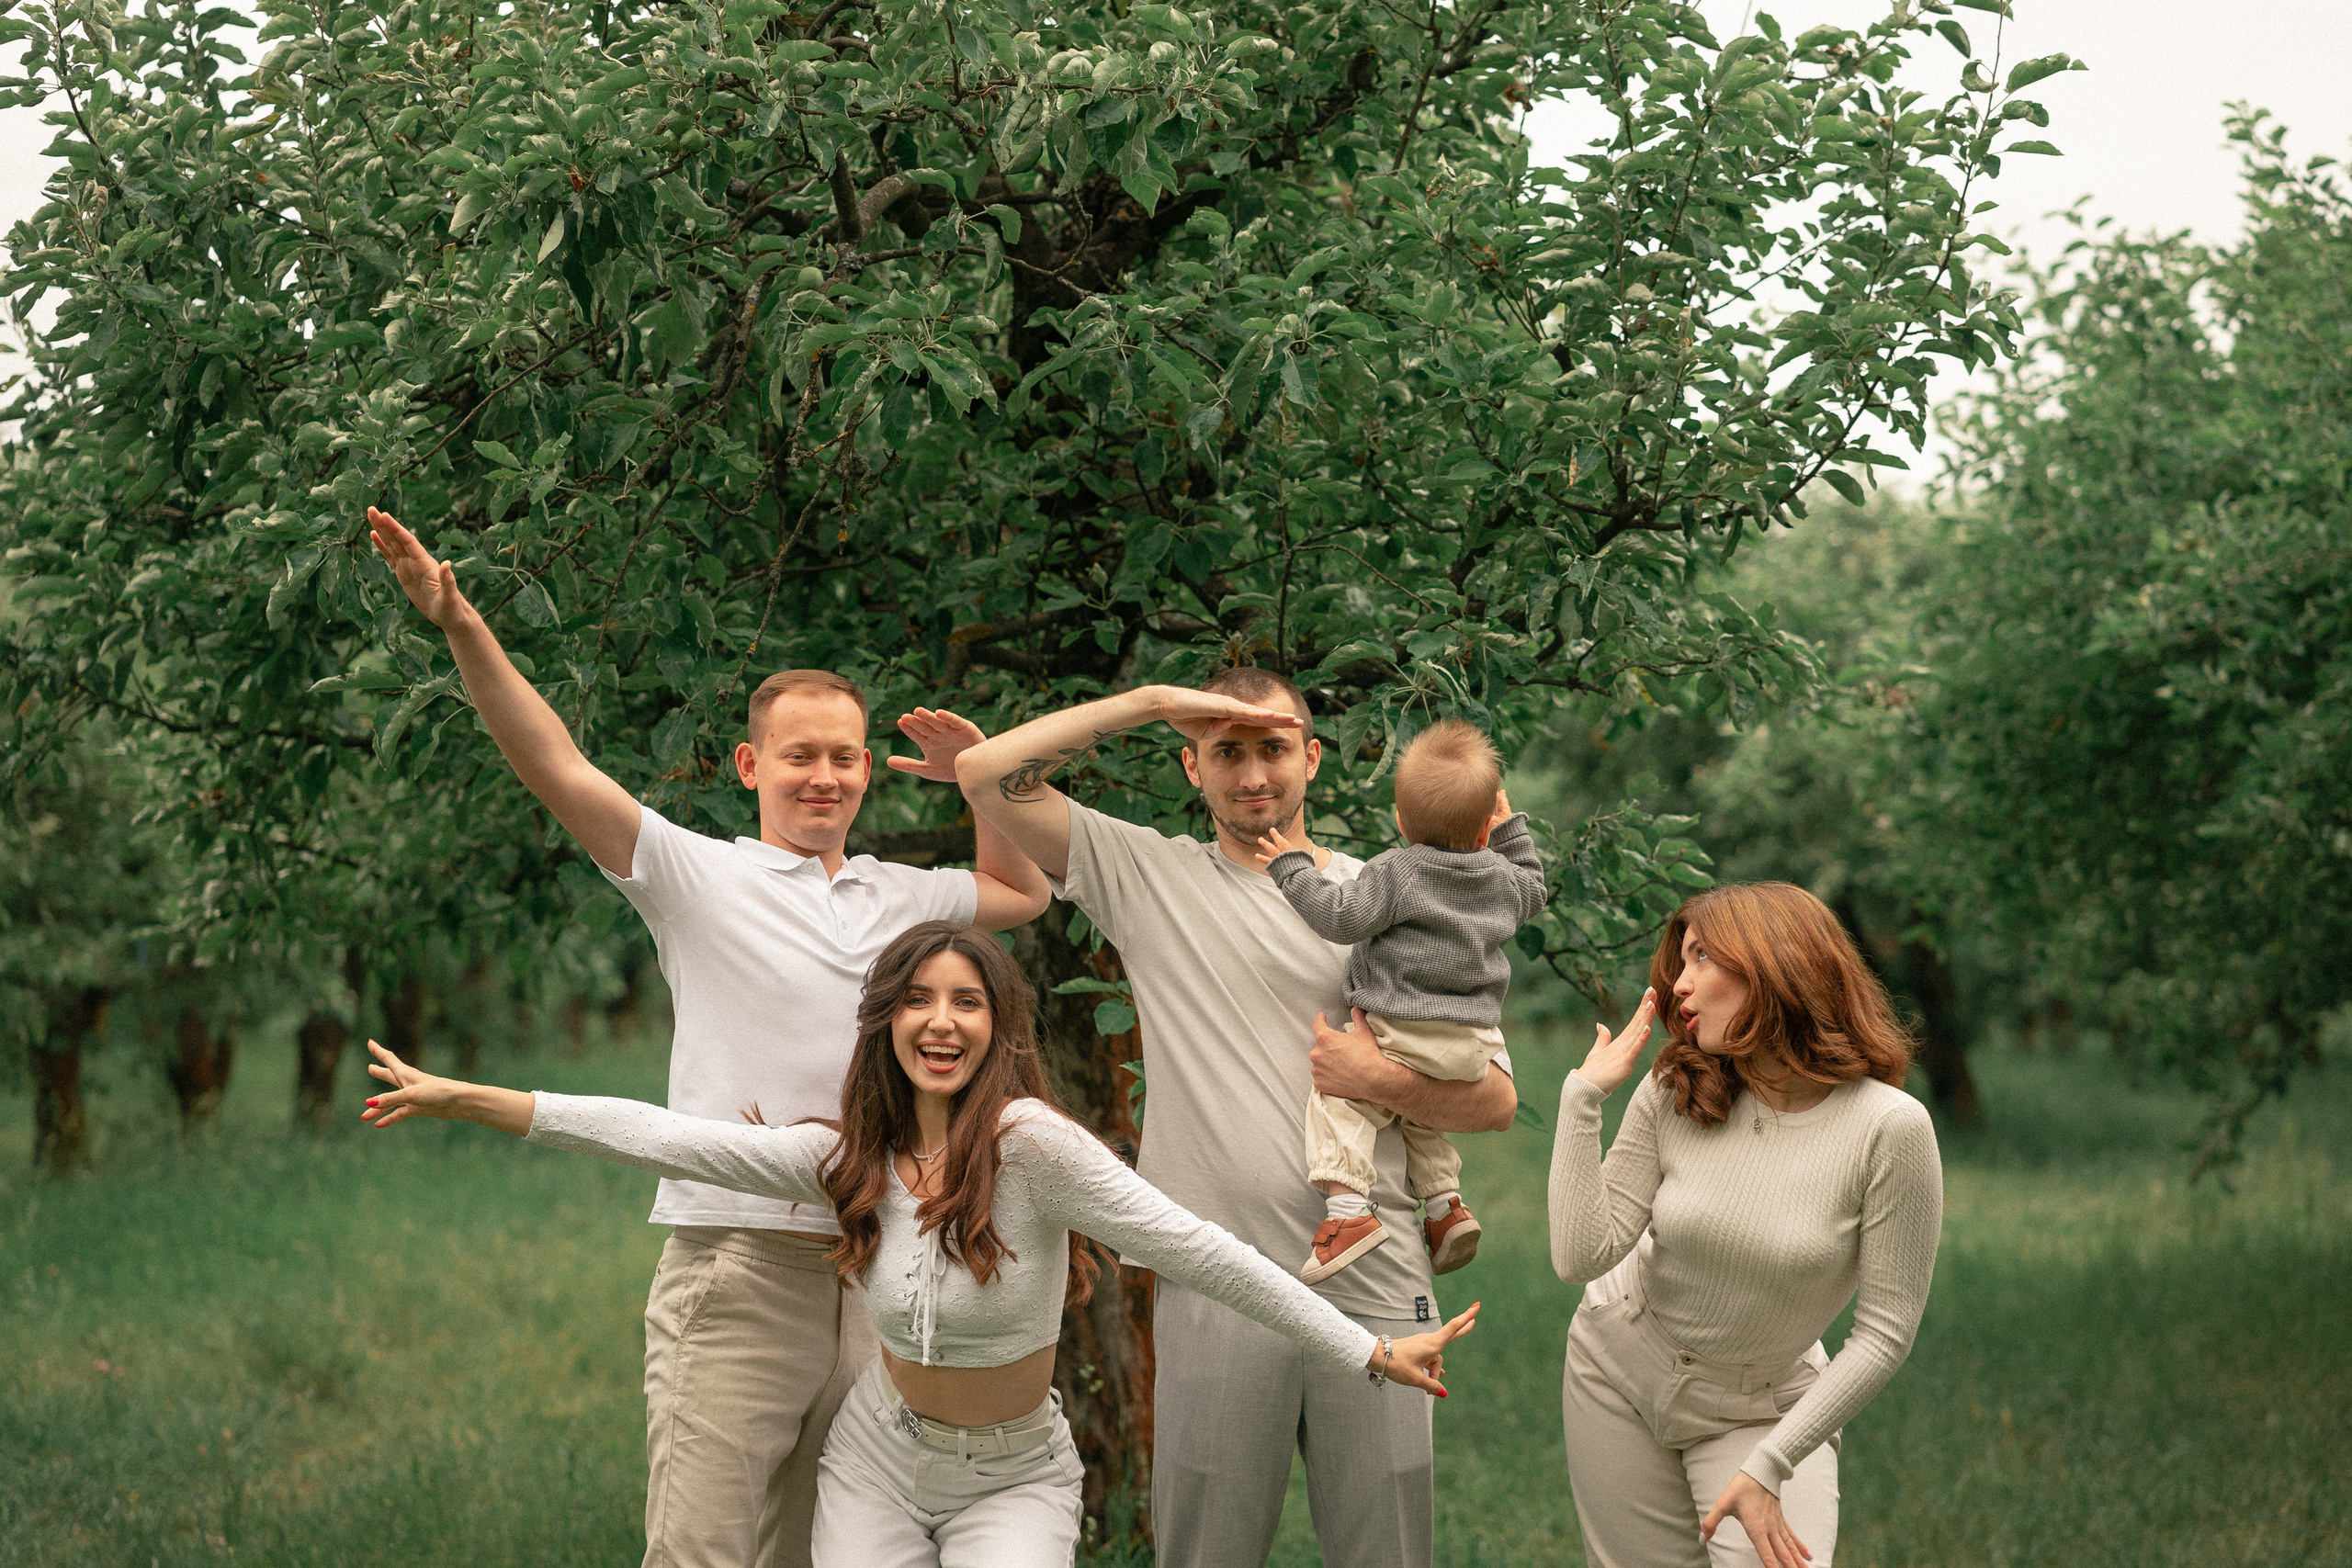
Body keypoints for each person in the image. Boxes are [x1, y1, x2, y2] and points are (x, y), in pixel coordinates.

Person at [363, 508, 1051, 1568]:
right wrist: (460, 623)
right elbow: (556, 765)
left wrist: (983, 778)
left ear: (868, 772)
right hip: (738, 1263)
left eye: (844, 758)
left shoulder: (904, 897)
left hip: (877, 1268)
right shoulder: (698, 876)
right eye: (798, 756)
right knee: (702, 1554)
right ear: (748, 764)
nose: (823, 776)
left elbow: (1020, 889)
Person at [359, 920, 1481, 1567]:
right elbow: (662, 1136)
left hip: (1015, 1476)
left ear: (997, 1026)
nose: (941, 1021)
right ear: (887, 1021)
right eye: (918, 1001)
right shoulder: (848, 1157)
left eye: (967, 1003)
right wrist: (469, 1098)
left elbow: (1198, 1250)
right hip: (878, 1461)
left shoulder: (1033, 1149)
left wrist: (1366, 1349)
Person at [953, 671, 1520, 1568]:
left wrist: (1379, 1077)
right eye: (1226, 750)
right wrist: (1148, 701)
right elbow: (986, 775)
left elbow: (1494, 1099)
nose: (1253, 773)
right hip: (1215, 1274)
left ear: (1312, 757)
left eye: (1273, 747)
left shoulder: (1389, 891)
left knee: (1389, 1551)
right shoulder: (1148, 875)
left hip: (1377, 1273)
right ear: (1191, 764)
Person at [1549, 883, 1943, 1568]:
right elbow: (1581, 1255)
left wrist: (1771, 1461)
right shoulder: (1677, 1088)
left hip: (1766, 1411)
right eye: (1681, 960)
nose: (1680, 982)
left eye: (1702, 957)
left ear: (1774, 965)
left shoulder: (1889, 1128)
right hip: (1616, 1371)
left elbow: (1884, 1333)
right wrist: (1581, 1101)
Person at [1254, 717, 1548, 1284]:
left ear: (1400, 821)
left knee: (1341, 1099)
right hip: (1474, 1042)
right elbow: (1534, 888)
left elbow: (1341, 918)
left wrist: (1291, 867)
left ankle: (1348, 1213)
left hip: (1402, 1027)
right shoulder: (1502, 877)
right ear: (1485, 830)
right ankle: (1444, 1205)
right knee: (1415, 1111)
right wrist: (1510, 831)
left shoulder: (1398, 870)